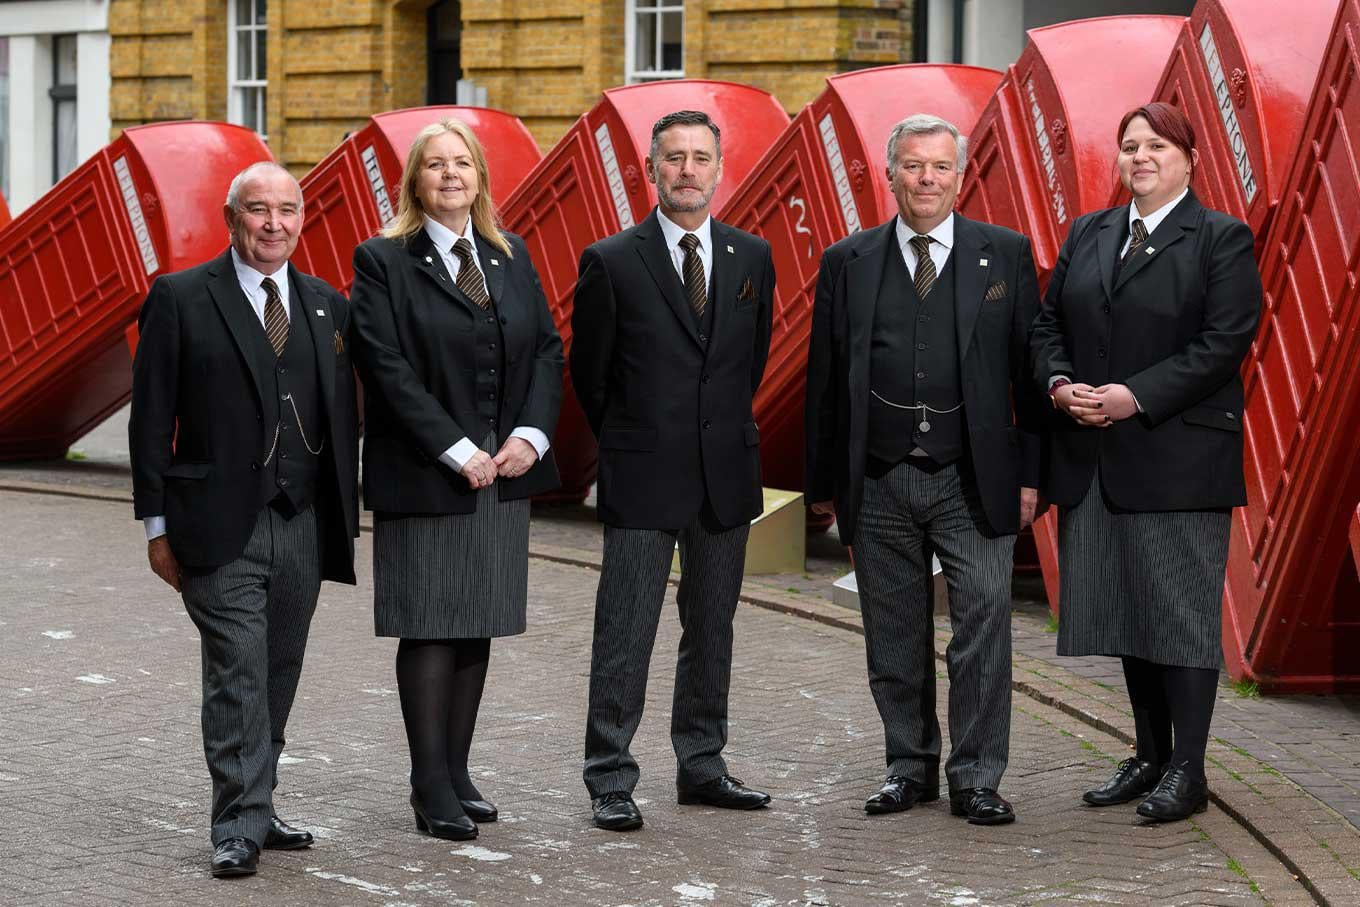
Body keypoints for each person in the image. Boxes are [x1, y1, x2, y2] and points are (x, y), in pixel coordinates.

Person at [805, 114, 1044, 826]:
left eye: (940, 166)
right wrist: (822, 485)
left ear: (960, 176)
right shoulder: (847, 260)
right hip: (878, 478)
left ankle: (976, 776)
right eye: (913, 166)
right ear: (890, 175)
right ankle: (908, 767)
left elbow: (1030, 379)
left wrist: (1032, 476)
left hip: (973, 478)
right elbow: (824, 380)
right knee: (893, 632)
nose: (927, 179)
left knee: (983, 625)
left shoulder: (1005, 254)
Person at [1031, 102, 1261, 823]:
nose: (1140, 157)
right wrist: (1059, 383)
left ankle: (1188, 770)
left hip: (1178, 458)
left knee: (1180, 616)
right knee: (1129, 608)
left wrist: (1136, 396)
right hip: (1097, 456)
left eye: (1157, 145)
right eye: (1130, 145)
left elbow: (1225, 340)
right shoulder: (1090, 232)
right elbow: (1047, 323)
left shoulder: (1220, 238)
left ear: (1190, 159)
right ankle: (1150, 756)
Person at [129, 161, 360, 877]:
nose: (273, 223)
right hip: (216, 524)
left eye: (287, 210)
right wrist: (155, 528)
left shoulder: (326, 305)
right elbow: (149, 420)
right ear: (232, 220)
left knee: (279, 668)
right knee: (238, 670)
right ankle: (237, 823)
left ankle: (258, 799)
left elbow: (341, 413)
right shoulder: (180, 297)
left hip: (303, 521)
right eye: (258, 209)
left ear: (301, 219)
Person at [350, 118, 563, 841]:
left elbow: (546, 349)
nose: (450, 175)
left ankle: (458, 770)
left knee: (478, 621)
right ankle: (428, 782)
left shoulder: (510, 253)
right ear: (416, 181)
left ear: (480, 178)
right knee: (431, 625)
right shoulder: (383, 260)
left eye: (462, 163)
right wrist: (454, 447)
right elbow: (384, 365)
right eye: (436, 164)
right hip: (427, 471)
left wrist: (531, 436)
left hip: (501, 470)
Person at [570, 109, 776, 832]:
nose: (688, 170)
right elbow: (590, 376)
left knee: (712, 627)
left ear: (719, 170)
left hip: (724, 475)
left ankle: (702, 765)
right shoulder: (611, 260)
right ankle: (610, 775)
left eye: (700, 157)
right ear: (651, 170)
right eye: (674, 158)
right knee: (625, 630)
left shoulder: (752, 256)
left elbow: (749, 363)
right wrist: (637, 439)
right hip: (642, 473)